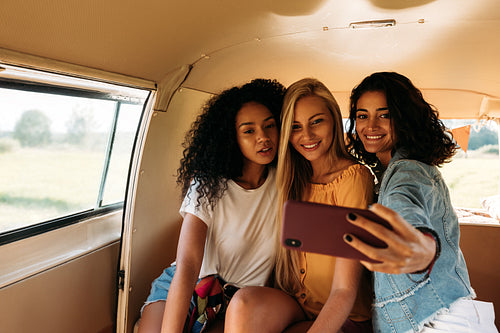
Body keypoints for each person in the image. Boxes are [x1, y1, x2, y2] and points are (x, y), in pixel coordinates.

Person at [344, 71, 498, 332]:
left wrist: (420, 251)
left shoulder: (406, 172)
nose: (370, 126)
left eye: (385, 114)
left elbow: (408, 215)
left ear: (404, 119)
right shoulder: (393, 171)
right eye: (362, 115)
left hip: (439, 323)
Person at [225, 78, 374, 333]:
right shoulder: (292, 179)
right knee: (243, 303)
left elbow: (344, 290)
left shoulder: (354, 178)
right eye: (295, 127)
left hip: (343, 316)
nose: (307, 135)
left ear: (334, 121)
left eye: (316, 121)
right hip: (296, 304)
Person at [137, 78, 286, 333]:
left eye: (269, 126)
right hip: (187, 284)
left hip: (238, 302)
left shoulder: (286, 183)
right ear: (232, 138)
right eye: (249, 130)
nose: (263, 137)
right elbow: (188, 264)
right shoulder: (207, 184)